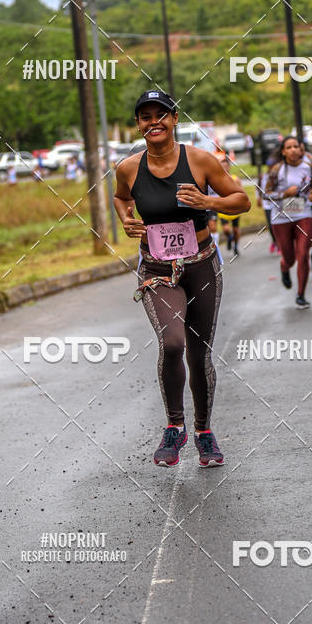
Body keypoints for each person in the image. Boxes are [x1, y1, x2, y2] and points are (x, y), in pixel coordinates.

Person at [114, 90, 250, 468]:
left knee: (198, 351)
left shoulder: (201, 161)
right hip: (157, 269)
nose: (153, 122)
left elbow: (242, 201)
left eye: (161, 114)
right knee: (172, 343)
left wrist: (209, 202)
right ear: (138, 125)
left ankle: (204, 432)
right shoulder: (128, 168)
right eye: (145, 116)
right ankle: (175, 426)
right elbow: (121, 198)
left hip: (201, 264)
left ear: (174, 119)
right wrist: (126, 219)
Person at [266, 136, 312, 310]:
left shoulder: (308, 166)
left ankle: (301, 295)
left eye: (296, 146)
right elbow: (266, 193)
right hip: (281, 217)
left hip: (303, 214)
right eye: (289, 147)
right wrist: (285, 194)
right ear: (283, 151)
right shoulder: (276, 169)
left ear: (300, 149)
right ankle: (284, 266)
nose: (293, 149)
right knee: (290, 259)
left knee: (303, 254)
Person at [217, 157, 244, 256]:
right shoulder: (217, 179)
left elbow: (242, 192)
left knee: (236, 229)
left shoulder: (235, 178)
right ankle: (230, 237)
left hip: (235, 208)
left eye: (226, 166)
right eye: (222, 166)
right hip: (223, 207)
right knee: (226, 229)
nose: (224, 168)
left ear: (229, 167)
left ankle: (236, 246)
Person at [256, 157, 279, 253]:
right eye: (269, 166)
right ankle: (275, 241)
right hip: (267, 205)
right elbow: (258, 188)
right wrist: (258, 198)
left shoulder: (278, 176)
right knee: (270, 224)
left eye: (272, 166)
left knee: (278, 224)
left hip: (277, 204)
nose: (271, 168)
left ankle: (280, 243)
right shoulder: (263, 176)